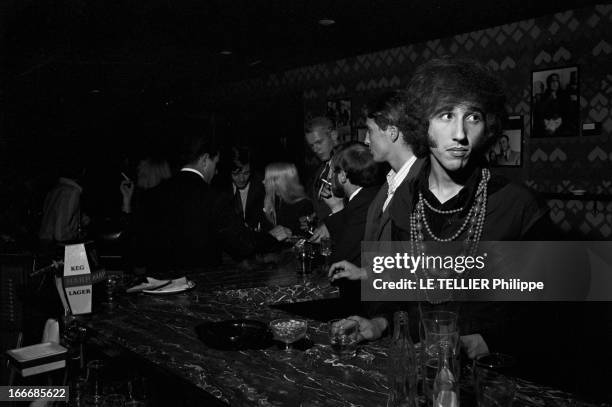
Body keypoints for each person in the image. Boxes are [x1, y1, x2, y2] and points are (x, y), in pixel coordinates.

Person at [330, 57, 551, 361]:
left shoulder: (517, 205)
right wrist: (378, 324)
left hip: (489, 378)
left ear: (487, 126)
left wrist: (482, 342)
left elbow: (544, 311)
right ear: (422, 124)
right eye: (446, 115)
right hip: (417, 370)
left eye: (473, 117)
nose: (460, 133)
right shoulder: (406, 200)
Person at [144, 126, 290, 270]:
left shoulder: (153, 193)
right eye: (215, 163)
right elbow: (240, 244)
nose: (216, 171)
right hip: (201, 283)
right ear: (205, 160)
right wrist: (271, 237)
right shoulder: (213, 197)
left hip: (159, 282)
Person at [327, 90, 427, 282]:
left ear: (392, 132)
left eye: (370, 131)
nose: (365, 140)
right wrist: (365, 273)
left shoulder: (423, 182)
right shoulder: (389, 182)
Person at [39, 159, 89, 245]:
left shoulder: (54, 190)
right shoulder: (72, 192)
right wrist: (79, 235)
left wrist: (83, 220)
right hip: (58, 251)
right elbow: (60, 234)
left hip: (46, 247)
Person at [303, 116, 339, 223]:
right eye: (312, 145)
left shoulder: (351, 164)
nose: (315, 149)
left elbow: (358, 205)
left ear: (333, 135)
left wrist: (329, 224)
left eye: (319, 142)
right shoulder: (320, 170)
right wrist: (314, 218)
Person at [262, 162, 313, 235]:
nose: (263, 182)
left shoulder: (303, 204)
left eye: (267, 179)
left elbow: (307, 235)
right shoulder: (272, 201)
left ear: (279, 181)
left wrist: (290, 233)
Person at [222, 146, 266, 230]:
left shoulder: (262, 184)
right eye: (236, 174)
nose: (242, 179)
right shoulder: (221, 189)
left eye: (246, 173)